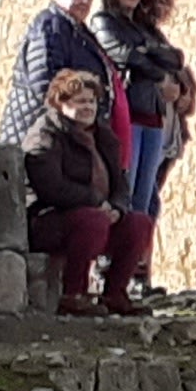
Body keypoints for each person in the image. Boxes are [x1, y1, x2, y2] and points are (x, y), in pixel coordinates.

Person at [96, 0, 185, 307]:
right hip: (126, 116)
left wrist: (150, 59)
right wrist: (152, 62)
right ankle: (114, 275)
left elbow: (174, 58)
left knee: (146, 200)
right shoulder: (104, 21)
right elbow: (123, 54)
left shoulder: (144, 28)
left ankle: (137, 273)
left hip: (151, 118)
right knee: (128, 195)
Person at [21, 64, 128, 314]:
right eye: (80, 101)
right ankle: (73, 294)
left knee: (137, 225)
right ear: (61, 103)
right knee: (92, 221)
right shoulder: (45, 135)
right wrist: (94, 202)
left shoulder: (103, 136)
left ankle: (115, 295)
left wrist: (118, 208)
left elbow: (121, 181)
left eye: (91, 101)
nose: (88, 107)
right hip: (49, 218)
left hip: (96, 213)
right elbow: (50, 187)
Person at [5, 0, 108, 141]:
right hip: (39, 134)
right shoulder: (50, 27)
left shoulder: (77, 30)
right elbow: (45, 85)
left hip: (63, 132)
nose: (84, 1)